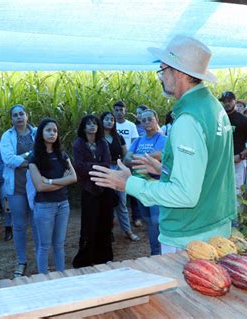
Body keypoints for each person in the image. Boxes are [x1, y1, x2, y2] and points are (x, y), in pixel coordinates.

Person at [90, 35, 237, 254]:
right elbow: (208, 165)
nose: (161, 77)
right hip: (215, 225)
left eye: (162, 70)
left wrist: (129, 184)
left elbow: (185, 194)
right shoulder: (214, 108)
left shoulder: (188, 119)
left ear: (177, 73)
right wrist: (164, 169)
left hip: (189, 236)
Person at [28, 118, 77, 274]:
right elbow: (40, 186)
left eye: (55, 131)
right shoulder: (34, 157)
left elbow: (74, 178)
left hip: (63, 204)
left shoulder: (62, 155)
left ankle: (61, 275)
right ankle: (44, 279)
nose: (52, 133)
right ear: (41, 133)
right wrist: (64, 181)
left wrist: (50, 181)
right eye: (48, 130)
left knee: (59, 244)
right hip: (44, 206)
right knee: (44, 246)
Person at [0, 104, 38, 278]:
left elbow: (42, 154)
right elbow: (8, 159)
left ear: (27, 115)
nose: (19, 117)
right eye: (15, 115)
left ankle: (40, 258)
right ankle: (21, 260)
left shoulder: (37, 132)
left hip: (37, 185)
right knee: (20, 225)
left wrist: (25, 159)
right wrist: (28, 158)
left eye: (21, 114)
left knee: (37, 223)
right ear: (12, 119)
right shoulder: (7, 136)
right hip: (16, 187)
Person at [72, 115, 114, 268]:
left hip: (105, 187)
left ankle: (103, 256)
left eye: (94, 123)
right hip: (89, 188)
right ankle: (87, 257)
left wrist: (92, 166)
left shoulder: (103, 142)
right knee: (89, 223)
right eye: (88, 124)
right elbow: (79, 167)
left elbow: (107, 164)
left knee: (105, 222)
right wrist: (97, 166)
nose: (92, 126)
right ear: (83, 127)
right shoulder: (78, 144)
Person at [124, 109, 166, 255]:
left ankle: (160, 253)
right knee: (148, 221)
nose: (147, 122)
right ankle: (155, 252)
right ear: (140, 123)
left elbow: (159, 155)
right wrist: (146, 157)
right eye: (143, 120)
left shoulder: (163, 139)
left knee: (156, 221)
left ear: (156, 120)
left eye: (150, 119)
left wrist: (136, 157)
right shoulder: (138, 140)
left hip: (155, 186)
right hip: (140, 186)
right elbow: (126, 159)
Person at [100, 111, 140, 242]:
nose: (110, 121)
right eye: (106, 119)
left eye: (112, 119)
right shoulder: (98, 138)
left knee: (122, 202)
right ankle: (107, 231)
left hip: (118, 168)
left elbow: (125, 155)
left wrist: (125, 170)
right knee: (106, 203)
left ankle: (127, 231)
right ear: (101, 121)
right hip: (105, 170)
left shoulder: (118, 137)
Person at [113, 100, 143, 227]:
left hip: (129, 162)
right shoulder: (110, 125)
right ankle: (114, 219)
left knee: (132, 190)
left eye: (121, 110)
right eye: (117, 110)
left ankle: (136, 217)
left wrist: (131, 161)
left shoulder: (131, 126)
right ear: (113, 111)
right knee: (115, 190)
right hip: (114, 162)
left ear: (125, 111)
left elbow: (135, 143)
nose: (119, 113)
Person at [219, 91, 247, 196]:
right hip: (221, 161)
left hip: (237, 162)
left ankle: (238, 212)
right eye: (224, 101)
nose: (227, 103)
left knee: (237, 192)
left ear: (235, 101)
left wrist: (243, 154)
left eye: (229, 101)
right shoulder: (218, 118)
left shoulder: (243, 120)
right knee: (221, 191)